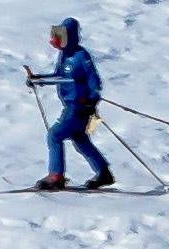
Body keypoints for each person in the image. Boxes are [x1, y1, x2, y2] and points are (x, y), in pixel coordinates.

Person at [29, 18, 114, 191]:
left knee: (54, 135)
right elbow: (59, 75)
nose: (57, 39)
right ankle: (103, 172)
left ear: (71, 36)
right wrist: (38, 79)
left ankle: (56, 176)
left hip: (78, 107)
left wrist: (92, 100)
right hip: (69, 106)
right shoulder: (65, 55)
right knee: (79, 139)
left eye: (61, 35)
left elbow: (94, 81)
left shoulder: (81, 56)